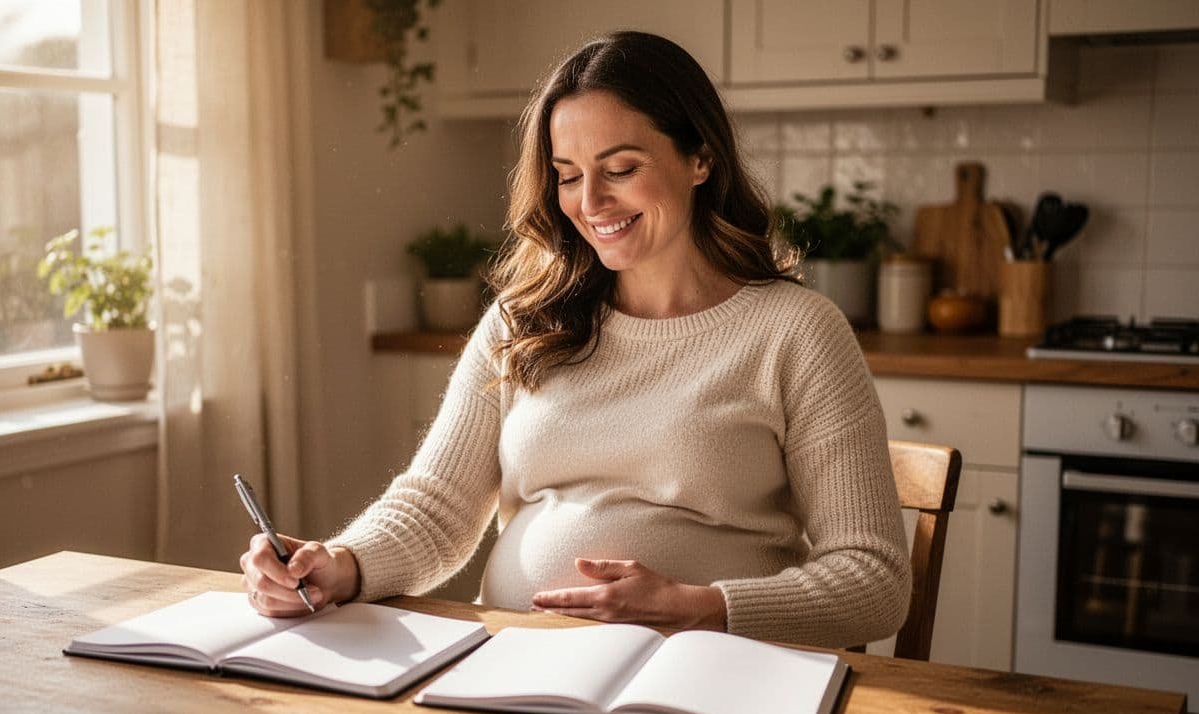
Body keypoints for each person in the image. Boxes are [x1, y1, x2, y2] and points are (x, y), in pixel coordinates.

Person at [241, 30, 910, 648]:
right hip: (520, 666)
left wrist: (701, 606)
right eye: (567, 174)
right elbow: (436, 507)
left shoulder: (794, 331)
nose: (589, 201)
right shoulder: (525, 318)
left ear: (700, 158)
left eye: (619, 168)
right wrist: (340, 564)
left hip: (707, 676)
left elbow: (873, 579)